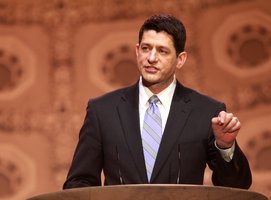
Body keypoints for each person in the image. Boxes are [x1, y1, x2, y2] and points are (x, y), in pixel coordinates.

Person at [63, 14, 252, 189]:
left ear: (180, 59)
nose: (151, 58)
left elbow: (237, 187)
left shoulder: (207, 111)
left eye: (162, 51)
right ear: (137, 51)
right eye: (146, 48)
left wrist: (225, 147)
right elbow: (79, 182)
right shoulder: (103, 110)